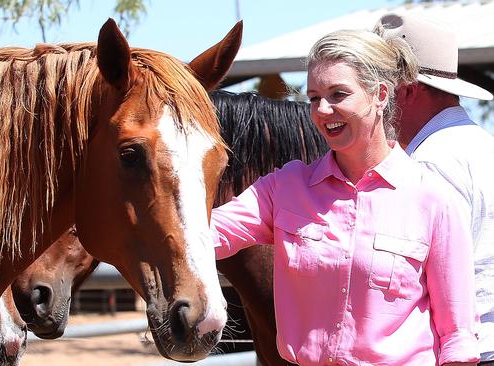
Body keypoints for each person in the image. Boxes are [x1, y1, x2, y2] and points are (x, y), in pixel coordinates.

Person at [210, 28, 480, 365]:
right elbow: (203, 235)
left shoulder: (434, 200)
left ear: (381, 95)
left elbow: (457, 336)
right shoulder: (285, 187)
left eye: (338, 94)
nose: (322, 109)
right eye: (313, 97)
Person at [374, 13, 494, 365]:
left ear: (406, 90)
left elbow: (416, 276)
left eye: (379, 87)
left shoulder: (427, 163)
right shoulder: (481, 144)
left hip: (463, 349)